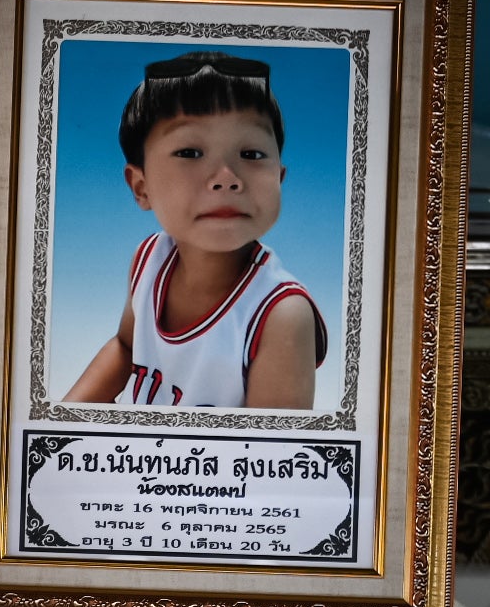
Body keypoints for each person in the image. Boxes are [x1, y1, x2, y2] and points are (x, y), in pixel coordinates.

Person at [70, 50, 326, 412]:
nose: (226, 179)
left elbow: (270, 459)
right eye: (190, 152)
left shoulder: (281, 315)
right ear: (141, 187)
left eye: (251, 154)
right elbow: (125, 348)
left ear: (280, 179)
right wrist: (61, 422)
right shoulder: (149, 260)